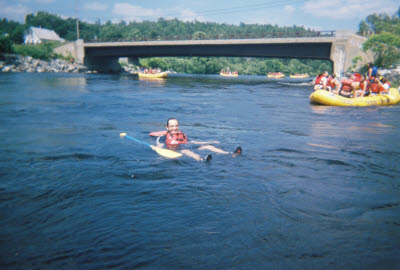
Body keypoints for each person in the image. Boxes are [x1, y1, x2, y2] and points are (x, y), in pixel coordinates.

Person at [153, 118, 242, 162]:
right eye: (172, 126)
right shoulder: (163, 137)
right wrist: (156, 148)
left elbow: (194, 142)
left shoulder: (182, 135)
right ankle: (201, 159)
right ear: (167, 127)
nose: (175, 128)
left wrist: (210, 142)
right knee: (186, 151)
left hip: (187, 146)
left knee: (207, 146)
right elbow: (160, 145)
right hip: (177, 150)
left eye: (176, 125)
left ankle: (229, 153)